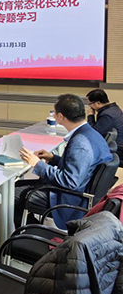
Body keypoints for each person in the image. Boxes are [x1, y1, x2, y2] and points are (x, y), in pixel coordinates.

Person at [16, 94, 112, 229]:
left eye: (54, 113)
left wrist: (37, 164)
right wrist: (52, 158)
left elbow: (70, 181)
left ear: (60, 116)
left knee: (13, 195)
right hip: (81, 191)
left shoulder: (80, 143)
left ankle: (28, 234)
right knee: (18, 186)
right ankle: (32, 230)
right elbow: (80, 165)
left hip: (70, 199)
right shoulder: (90, 133)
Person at [86, 89, 123, 158]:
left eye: (90, 104)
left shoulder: (107, 115)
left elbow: (94, 133)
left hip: (118, 149)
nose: (90, 107)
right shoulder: (114, 108)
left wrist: (90, 116)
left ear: (98, 103)